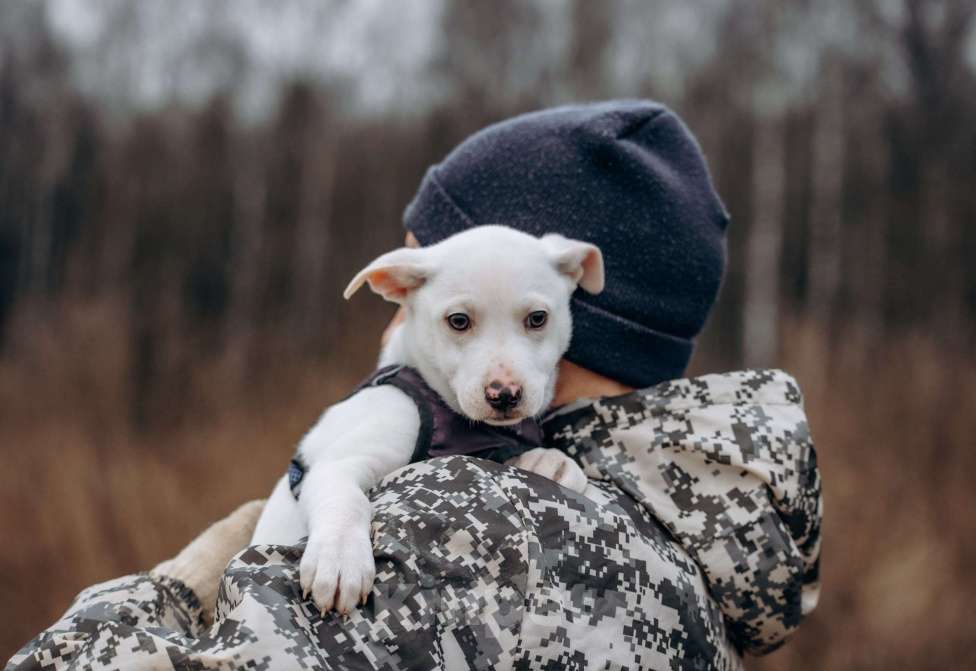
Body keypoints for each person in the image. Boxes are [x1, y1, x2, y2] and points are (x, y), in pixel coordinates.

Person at [8, 101, 821, 671]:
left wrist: (192, 575)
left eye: (436, 310)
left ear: (566, 308)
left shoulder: (472, 518)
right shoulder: (687, 542)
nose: (389, 327)